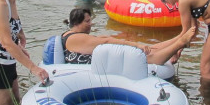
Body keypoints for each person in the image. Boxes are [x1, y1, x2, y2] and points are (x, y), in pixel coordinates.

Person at [60, 8, 195, 65]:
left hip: (104, 60)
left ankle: (179, 37)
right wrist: (136, 45)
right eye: (87, 21)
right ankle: (180, 42)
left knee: (150, 48)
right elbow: (107, 40)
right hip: (107, 64)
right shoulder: (75, 38)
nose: (91, 24)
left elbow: (101, 39)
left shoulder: (73, 36)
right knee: (147, 58)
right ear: (77, 23)